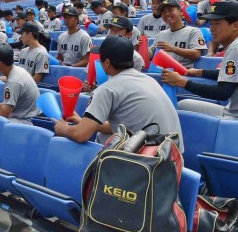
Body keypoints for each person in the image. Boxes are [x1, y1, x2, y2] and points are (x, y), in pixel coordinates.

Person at [53, 36, 183, 150]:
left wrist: (63, 128)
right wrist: (81, 122)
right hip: (172, 159)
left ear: (107, 63)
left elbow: (81, 135)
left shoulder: (107, 88)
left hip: (151, 166)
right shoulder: (148, 79)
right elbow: (121, 125)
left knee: (100, 140)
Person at [162, 0, 238, 118]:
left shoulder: (235, 48)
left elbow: (223, 92)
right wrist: (200, 72)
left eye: (217, 23)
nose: (211, 28)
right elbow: (229, 75)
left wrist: (181, 82)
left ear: (235, 25)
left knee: (182, 105)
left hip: (234, 118)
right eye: (211, 23)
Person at [0, 44, 40, 125]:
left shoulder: (14, 81)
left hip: (25, 121)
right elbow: (8, 103)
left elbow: (4, 113)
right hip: (21, 116)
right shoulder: (17, 70)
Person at [149, 0, 207, 69]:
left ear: (181, 12)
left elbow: (196, 53)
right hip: (161, 72)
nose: (167, 14)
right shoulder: (161, 34)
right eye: (164, 12)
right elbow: (150, 55)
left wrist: (173, 49)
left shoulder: (193, 31)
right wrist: (141, 46)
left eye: (170, 10)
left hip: (182, 73)